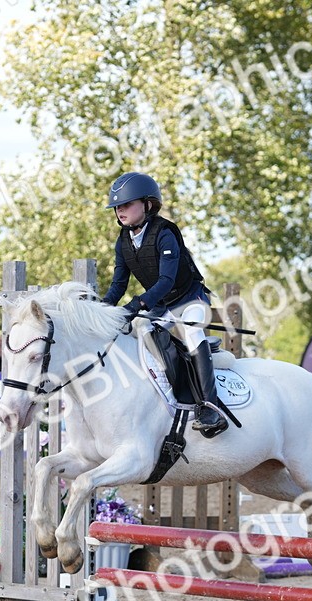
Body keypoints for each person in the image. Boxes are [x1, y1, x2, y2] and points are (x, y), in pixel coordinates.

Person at [101, 172, 228, 437]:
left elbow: (167, 281)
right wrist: (103, 310)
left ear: (147, 204)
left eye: (126, 205)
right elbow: (118, 285)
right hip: (163, 303)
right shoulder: (123, 241)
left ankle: (210, 407)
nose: (120, 211)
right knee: (144, 333)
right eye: (117, 207)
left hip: (190, 298)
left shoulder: (165, 233)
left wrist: (136, 305)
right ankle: (163, 398)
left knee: (191, 331)